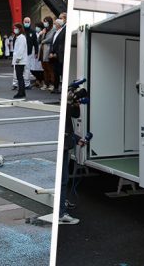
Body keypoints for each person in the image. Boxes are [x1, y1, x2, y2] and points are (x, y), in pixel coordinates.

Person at [60, 88, 81, 225]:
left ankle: (62, 204)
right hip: (64, 144)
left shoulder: (68, 102)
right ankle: (61, 214)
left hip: (67, 143)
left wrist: (75, 102)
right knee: (63, 179)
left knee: (64, 179)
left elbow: (74, 114)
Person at [50, 12, 67, 93]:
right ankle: (55, 88)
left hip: (60, 55)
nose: (54, 25)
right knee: (55, 72)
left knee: (62, 73)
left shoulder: (64, 30)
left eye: (61, 18)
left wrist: (56, 53)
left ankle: (63, 90)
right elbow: (52, 43)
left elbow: (61, 44)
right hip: (54, 56)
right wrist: (51, 52)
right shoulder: (55, 32)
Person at [38, 16, 56, 91]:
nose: (45, 23)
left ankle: (52, 84)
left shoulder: (53, 29)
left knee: (50, 69)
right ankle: (46, 83)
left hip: (48, 51)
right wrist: (41, 34)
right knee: (44, 68)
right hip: (42, 51)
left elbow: (51, 39)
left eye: (46, 21)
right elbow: (39, 40)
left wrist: (43, 41)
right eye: (44, 21)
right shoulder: (44, 30)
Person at [12, 23, 28, 99]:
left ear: (19, 28)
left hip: (20, 60)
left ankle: (21, 92)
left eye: (16, 28)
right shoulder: (19, 37)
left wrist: (18, 59)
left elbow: (21, 49)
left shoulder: (21, 38)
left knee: (19, 77)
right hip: (19, 60)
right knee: (19, 76)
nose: (14, 29)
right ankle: (22, 92)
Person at [31, 22, 45, 88]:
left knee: (40, 68)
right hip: (34, 52)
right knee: (33, 68)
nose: (36, 28)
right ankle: (38, 80)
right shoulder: (35, 33)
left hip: (40, 51)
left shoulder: (42, 33)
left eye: (38, 27)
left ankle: (41, 81)